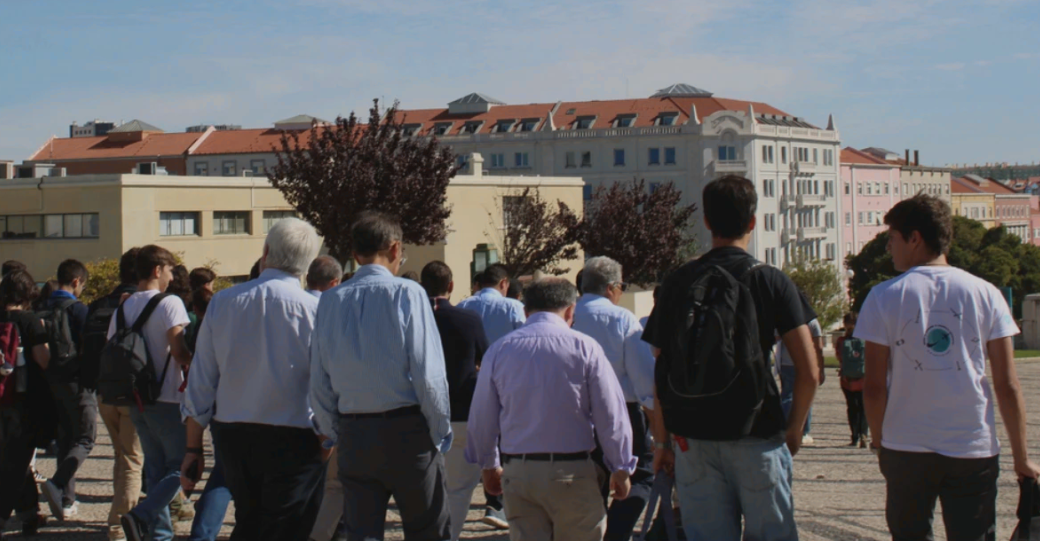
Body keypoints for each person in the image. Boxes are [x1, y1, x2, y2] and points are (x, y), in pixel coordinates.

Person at [642, 175, 819, 541]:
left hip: (693, 436)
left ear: (706, 221)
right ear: (753, 221)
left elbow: (661, 367)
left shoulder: (678, 281)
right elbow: (809, 370)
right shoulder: (770, 279)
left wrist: (661, 442)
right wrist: (795, 427)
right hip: (756, 429)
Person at [855, 194, 1040, 540]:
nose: (888, 248)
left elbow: (875, 386)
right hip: (972, 446)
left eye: (892, 238)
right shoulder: (986, 293)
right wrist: (1021, 456)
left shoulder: (882, 296)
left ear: (914, 238)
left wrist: (881, 441)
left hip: (907, 447)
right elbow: (1007, 384)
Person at [310, 211, 452, 541]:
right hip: (407, 429)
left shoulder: (331, 299)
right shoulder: (408, 293)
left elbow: (319, 377)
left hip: (355, 432)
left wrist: (334, 430)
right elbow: (428, 373)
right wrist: (438, 428)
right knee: (428, 530)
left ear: (355, 252)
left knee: (361, 533)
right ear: (394, 248)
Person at [181, 218, 325, 541]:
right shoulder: (316, 311)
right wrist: (326, 439)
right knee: (287, 526)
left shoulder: (223, 302)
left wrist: (192, 446)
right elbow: (325, 384)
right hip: (296, 435)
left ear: (265, 252)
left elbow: (201, 379)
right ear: (306, 263)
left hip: (235, 434)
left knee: (249, 519)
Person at [466, 277, 636, 541]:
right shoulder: (585, 347)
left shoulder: (500, 350)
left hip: (519, 471)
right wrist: (621, 465)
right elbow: (610, 414)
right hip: (571, 470)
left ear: (525, 311)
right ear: (571, 311)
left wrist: (489, 464)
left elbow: (482, 415)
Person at [572, 256, 655, 541]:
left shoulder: (567, 316)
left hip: (576, 414)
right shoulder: (622, 318)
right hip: (623, 413)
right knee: (640, 476)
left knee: (588, 483)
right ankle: (616, 534)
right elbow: (644, 378)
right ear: (611, 287)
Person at [115, 245, 194, 541]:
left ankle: (158, 536)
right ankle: (143, 515)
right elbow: (179, 351)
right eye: (171, 270)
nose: (172, 277)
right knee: (183, 465)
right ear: (157, 270)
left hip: (135, 398)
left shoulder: (123, 305)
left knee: (156, 469)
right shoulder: (169, 302)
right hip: (168, 397)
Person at [420, 261, 490, 541]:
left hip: (419, 414)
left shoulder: (410, 317)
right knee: (459, 488)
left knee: (424, 489)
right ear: (451, 286)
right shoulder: (468, 320)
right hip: (460, 410)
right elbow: (485, 358)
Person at [455, 262, 522, 527]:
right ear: (504, 283)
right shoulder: (514, 308)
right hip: (508, 383)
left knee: (484, 437)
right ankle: (499, 503)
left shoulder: (463, 306)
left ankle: (489, 497)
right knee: (507, 442)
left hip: (472, 382)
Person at [87, 248, 145, 541]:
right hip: (132, 392)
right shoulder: (144, 305)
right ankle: (119, 526)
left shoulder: (99, 304)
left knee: (121, 456)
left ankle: (119, 513)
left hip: (103, 391)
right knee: (133, 460)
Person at [39, 259, 95, 522]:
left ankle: (66, 500)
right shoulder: (78, 310)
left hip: (50, 382)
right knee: (85, 439)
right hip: (77, 382)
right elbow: (91, 347)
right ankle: (58, 483)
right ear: (76, 281)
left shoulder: (42, 308)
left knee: (65, 440)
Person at [0, 270, 53, 537]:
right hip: (23, 400)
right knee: (15, 462)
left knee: (14, 460)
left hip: (1, 397)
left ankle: (30, 514)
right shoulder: (31, 321)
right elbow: (43, 359)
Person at [776, 294, 825, 446]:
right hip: (804, 363)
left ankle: (784, 427)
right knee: (805, 397)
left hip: (786, 363)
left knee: (787, 395)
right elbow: (818, 347)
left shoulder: (786, 320)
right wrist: (820, 368)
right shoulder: (812, 323)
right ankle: (803, 430)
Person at [835, 312, 868, 448]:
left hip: (847, 379)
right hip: (863, 379)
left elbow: (839, 356)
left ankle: (854, 436)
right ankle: (864, 434)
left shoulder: (842, 341)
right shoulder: (866, 340)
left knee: (852, 407)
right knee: (864, 407)